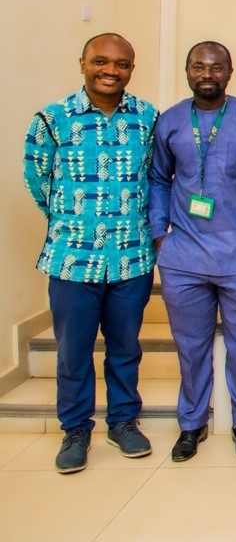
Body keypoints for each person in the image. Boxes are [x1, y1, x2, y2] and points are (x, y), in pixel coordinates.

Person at [24, 33, 159, 474]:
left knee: (124, 348)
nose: (110, 70)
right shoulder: (52, 119)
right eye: (101, 61)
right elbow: (38, 181)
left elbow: (157, 178)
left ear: (131, 70)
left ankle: (122, 422)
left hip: (131, 258)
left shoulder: (147, 119)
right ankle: (76, 429)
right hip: (71, 258)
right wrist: (75, 219)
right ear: (82, 62)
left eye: (121, 64)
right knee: (73, 351)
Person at [149, 41, 236, 462]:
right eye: (198, 66)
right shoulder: (171, 122)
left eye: (216, 67)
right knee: (191, 345)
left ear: (230, 72)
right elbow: (160, 180)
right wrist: (160, 236)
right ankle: (191, 424)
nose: (207, 74)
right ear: (187, 71)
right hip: (183, 258)